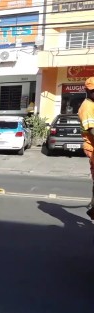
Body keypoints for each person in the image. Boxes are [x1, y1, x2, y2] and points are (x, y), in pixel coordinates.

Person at [78, 76, 94, 220]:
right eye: (93, 91)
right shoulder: (87, 107)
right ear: (87, 91)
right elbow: (92, 130)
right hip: (92, 146)